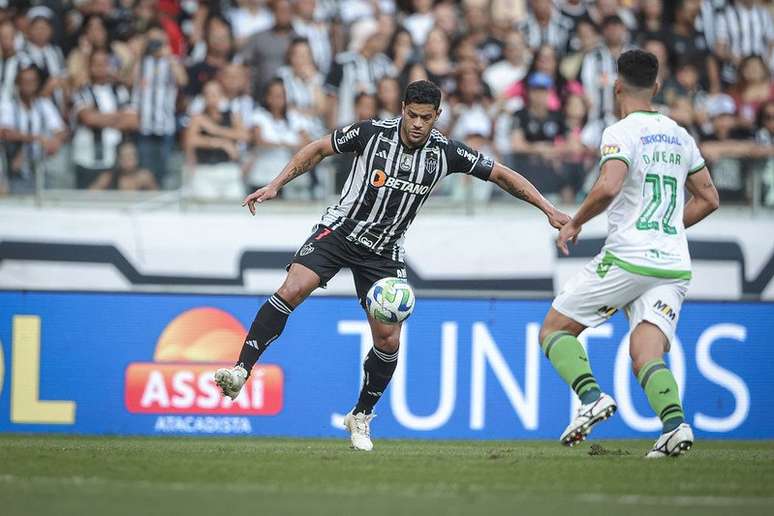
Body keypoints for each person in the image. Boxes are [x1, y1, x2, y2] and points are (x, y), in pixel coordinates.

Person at [214, 80, 570, 451]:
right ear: (402, 108)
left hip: (384, 253)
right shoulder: (370, 133)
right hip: (339, 231)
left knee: (388, 338)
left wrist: (548, 209)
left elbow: (501, 174)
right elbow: (319, 148)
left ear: (437, 117)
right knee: (292, 289)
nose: (417, 123)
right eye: (412, 115)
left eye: (426, 118)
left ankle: (361, 416)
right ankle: (241, 370)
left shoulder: (445, 152)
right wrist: (276, 184)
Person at [539, 49, 720, 458]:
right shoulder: (680, 134)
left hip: (629, 257)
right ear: (656, 87)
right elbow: (709, 198)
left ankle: (590, 398)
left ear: (616, 86)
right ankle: (675, 426)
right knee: (645, 355)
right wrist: (668, 228)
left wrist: (576, 221)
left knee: (554, 330)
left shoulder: (620, 132)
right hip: (673, 264)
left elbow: (608, 186)